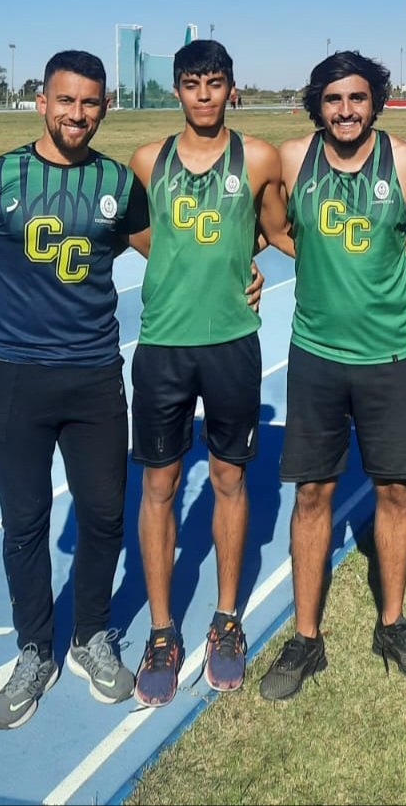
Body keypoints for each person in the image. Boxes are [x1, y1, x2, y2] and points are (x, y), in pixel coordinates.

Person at [0, 50, 147, 728]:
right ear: (41, 101)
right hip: (14, 378)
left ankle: (90, 634)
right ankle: (34, 646)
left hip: (93, 377)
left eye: (89, 103)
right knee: (24, 523)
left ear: (104, 106)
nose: (76, 114)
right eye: (65, 100)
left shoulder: (117, 181)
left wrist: (237, 276)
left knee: (105, 514)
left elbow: (167, 255)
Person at [258, 51, 406, 701]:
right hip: (316, 355)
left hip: (389, 356)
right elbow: (275, 227)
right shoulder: (292, 158)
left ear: (376, 100)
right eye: (333, 99)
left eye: (357, 98)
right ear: (318, 103)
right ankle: (306, 640)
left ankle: (392, 624)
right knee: (312, 495)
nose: (345, 110)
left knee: (394, 492)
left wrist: (389, 253)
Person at [128, 40, 289, 707]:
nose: (203, 94)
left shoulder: (256, 157)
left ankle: (226, 618)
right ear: (176, 89)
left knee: (228, 477)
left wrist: (235, 263)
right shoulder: (146, 160)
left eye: (214, 83)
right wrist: (180, 259)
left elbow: (276, 229)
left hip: (230, 344)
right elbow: (139, 233)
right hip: (163, 345)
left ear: (231, 89)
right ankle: (163, 630)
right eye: (191, 83)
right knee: (160, 483)